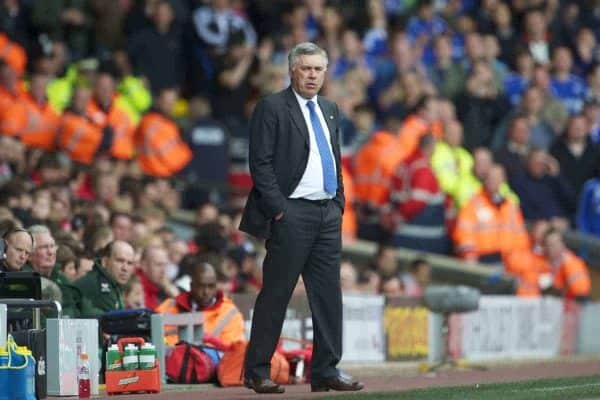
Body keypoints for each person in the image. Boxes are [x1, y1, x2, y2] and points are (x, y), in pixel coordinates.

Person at [239, 42, 363, 394]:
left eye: (318, 69)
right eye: (306, 68)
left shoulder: (330, 108)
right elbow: (259, 163)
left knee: (327, 296)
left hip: (327, 213)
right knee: (276, 293)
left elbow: (336, 160)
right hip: (291, 212)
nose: (312, 75)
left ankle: (325, 370)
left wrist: (338, 201)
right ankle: (257, 370)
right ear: (292, 70)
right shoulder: (272, 107)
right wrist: (280, 208)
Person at [156, 261, 244, 347]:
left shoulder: (230, 313)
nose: (206, 292)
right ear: (191, 286)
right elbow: (155, 339)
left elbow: (232, 351)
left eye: (211, 286)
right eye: (201, 286)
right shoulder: (168, 306)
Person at [74, 240, 135, 317]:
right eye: (120, 261)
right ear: (105, 262)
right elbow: (115, 323)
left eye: (130, 263)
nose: (125, 268)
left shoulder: (113, 283)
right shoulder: (100, 286)